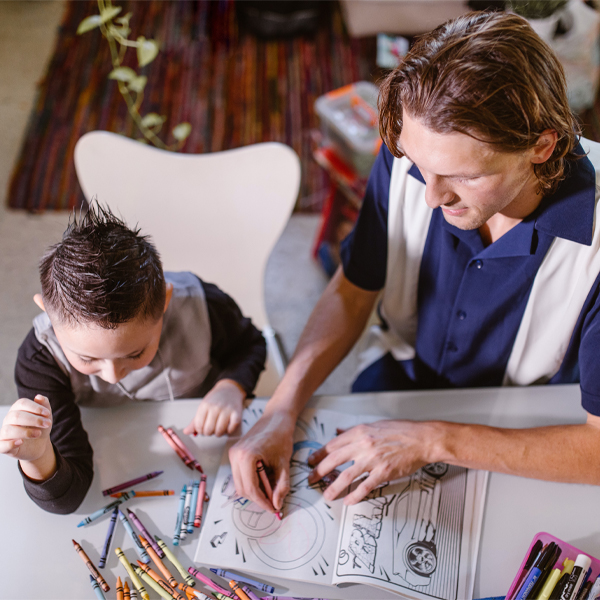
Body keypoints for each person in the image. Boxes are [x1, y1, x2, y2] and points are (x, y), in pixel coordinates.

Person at [229, 10, 600, 514]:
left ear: (541, 145)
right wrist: (280, 408)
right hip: (400, 375)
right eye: (418, 166)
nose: (431, 197)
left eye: (462, 177)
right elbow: (353, 288)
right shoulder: (418, 157)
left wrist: (431, 441)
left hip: (531, 424)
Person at [0, 203, 266, 514]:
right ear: (47, 314)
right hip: (116, 451)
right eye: (87, 358)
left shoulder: (205, 307)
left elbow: (252, 344)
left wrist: (231, 386)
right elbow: (69, 497)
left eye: (135, 353)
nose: (113, 376)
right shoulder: (39, 361)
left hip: (206, 447)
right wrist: (38, 456)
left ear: (165, 302)